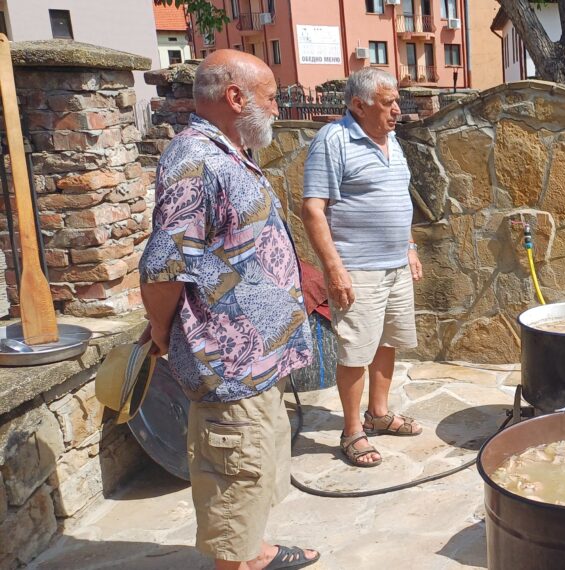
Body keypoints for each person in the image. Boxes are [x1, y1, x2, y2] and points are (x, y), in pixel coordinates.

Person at [138, 49, 320, 569]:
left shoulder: (230, 152)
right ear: (236, 97)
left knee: (256, 464)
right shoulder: (195, 160)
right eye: (270, 95)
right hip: (228, 365)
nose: (278, 105)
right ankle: (236, 562)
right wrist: (160, 328)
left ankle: (255, 550)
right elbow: (166, 267)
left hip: (258, 360)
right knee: (234, 471)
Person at [302, 68, 425, 469]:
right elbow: (313, 209)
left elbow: (398, 198)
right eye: (388, 103)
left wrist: (409, 247)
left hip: (394, 266)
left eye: (397, 102)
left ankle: (379, 413)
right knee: (355, 350)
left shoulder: (392, 141)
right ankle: (352, 430)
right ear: (358, 104)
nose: (397, 111)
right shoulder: (333, 140)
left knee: (386, 341)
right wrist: (334, 270)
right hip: (358, 269)